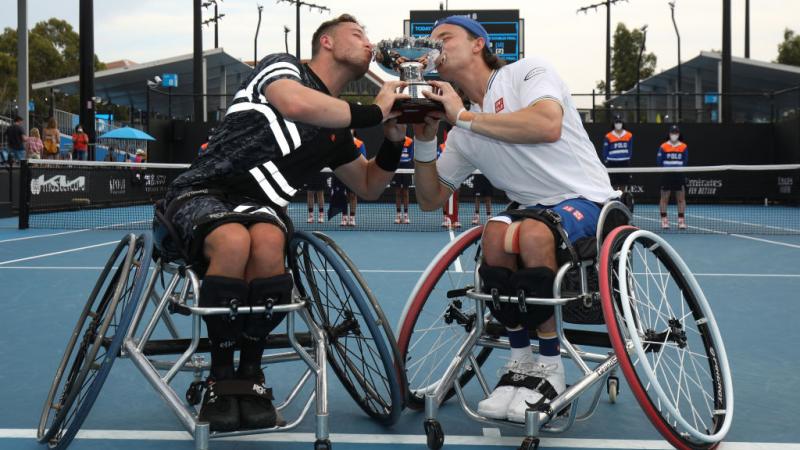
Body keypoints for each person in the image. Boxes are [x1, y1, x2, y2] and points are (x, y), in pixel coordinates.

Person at [159, 14, 408, 432]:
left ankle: (250, 377)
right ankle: (221, 377)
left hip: (261, 208)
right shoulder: (282, 67)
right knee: (234, 242)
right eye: (357, 34)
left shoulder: (338, 131)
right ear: (326, 42)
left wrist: (395, 139)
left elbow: (368, 185)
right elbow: (295, 104)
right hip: (202, 191)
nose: (368, 44)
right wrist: (376, 110)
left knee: (269, 246)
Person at [412, 16, 617, 423]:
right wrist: (424, 137)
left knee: (531, 232)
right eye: (431, 43)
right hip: (529, 214)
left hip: (588, 202)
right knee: (495, 232)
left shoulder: (527, 72)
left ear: (478, 44)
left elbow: (547, 124)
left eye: (445, 38)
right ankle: (520, 365)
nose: (435, 47)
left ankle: (550, 367)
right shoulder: (462, 127)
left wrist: (463, 117)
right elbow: (430, 198)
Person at [657, 124, 688, 229]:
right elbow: (659, 161)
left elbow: (685, 161)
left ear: (678, 134)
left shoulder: (683, 146)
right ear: (669, 134)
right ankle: (664, 221)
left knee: (681, 198)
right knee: (664, 198)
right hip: (667, 174)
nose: (674, 135)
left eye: (676, 133)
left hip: (679, 174)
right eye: (672, 133)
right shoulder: (663, 146)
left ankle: (681, 221)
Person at [601, 114, 633, 192]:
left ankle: (622, 200)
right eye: (616, 122)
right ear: (613, 124)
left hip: (624, 162)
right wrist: (606, 160)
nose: (618, 124)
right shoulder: (608, 136)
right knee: (613, 183)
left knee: (624, 182)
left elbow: (630, 148)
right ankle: (615, 199)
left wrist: (628, 157)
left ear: (622, 123)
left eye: (619, 122)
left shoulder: (629, 135)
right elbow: (605, 150)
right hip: (612, 162)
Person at [392, 134, 414, 224]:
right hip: (396, 167)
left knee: (405, 191)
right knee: (397, 191)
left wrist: (405, 161)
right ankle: (398, 215)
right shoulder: (393, 139)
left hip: (406, 167)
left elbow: (411, 155)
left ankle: (405, 215)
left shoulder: (409, 141)